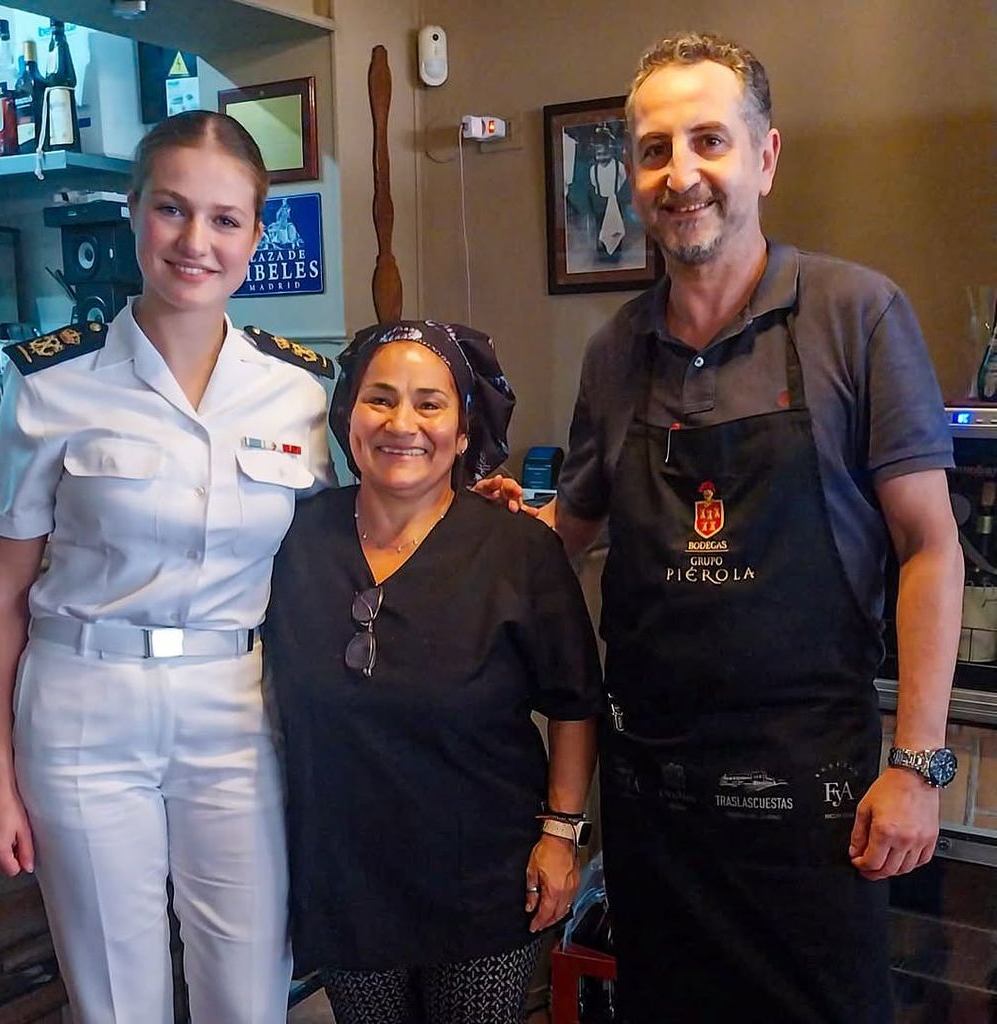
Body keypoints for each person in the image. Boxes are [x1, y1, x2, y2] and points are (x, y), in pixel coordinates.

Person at [487, 30, 963, 1023]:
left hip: (814, 801)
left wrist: (915, 766)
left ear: (764, 157)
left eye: (709, 141)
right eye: (654, 151)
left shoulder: (854, 314)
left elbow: (929, 546)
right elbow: (571, 526)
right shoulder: (617, 348)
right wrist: (477, 523)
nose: (680, 175)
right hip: (655, 803)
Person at [0, 111, 335, 1024]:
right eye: (172, 210)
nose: (195, 242)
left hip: (237, 707)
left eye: (224, 219)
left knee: (248, 991)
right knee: (112, 998)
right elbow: (2, 592)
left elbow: (341, 550)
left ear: (256, 235)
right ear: (133, 214)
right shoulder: (49, 385)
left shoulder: (298, 391)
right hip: (84, 704)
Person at [263, 321, 603, 1024]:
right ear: (346, 415)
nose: (402, 423)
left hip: (482, 879)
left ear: (463, 424)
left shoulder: (518, 551)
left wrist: (561, 834)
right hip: (344, 877)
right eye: (379, 399)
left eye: (429, 403)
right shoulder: (291, 538)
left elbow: (575, 701)